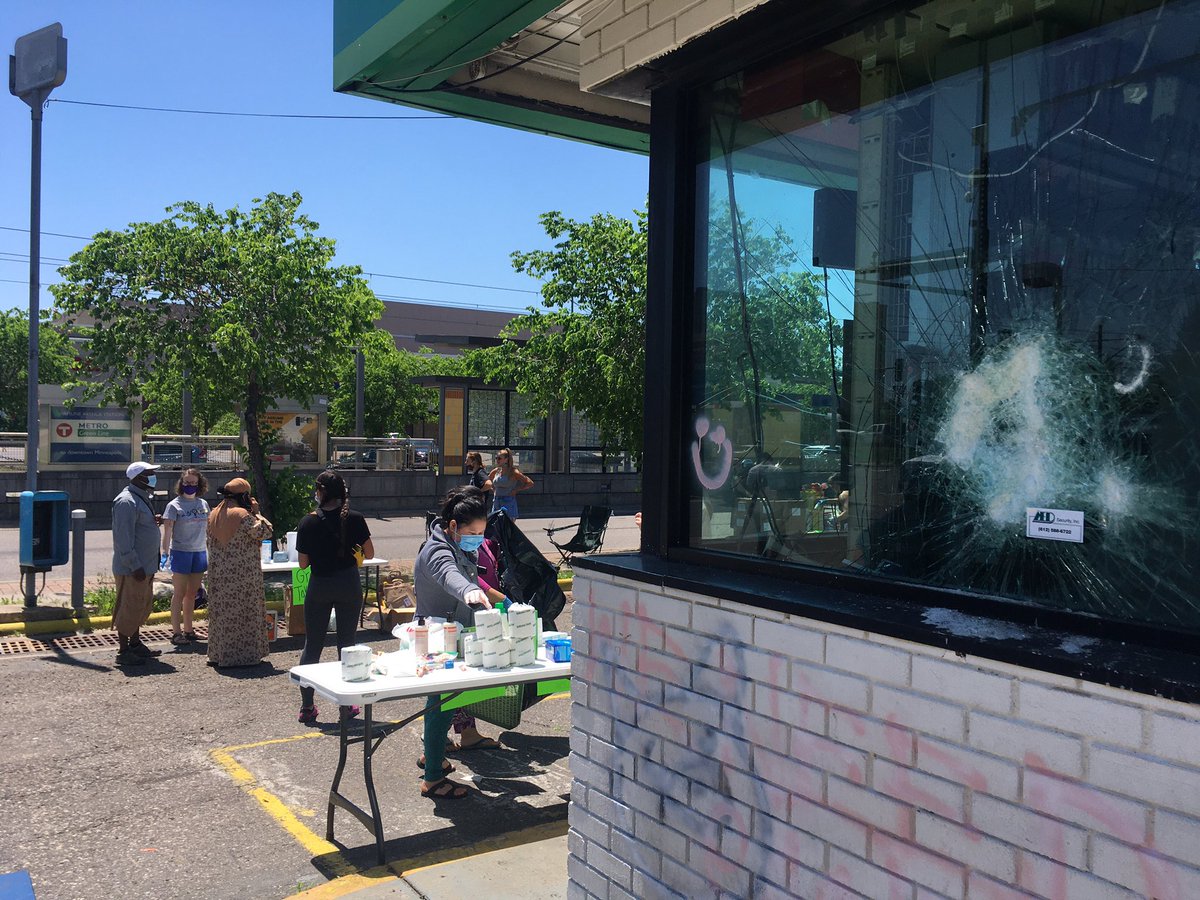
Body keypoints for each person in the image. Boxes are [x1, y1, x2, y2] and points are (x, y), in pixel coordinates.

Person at [414, 486, 496, 799]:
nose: (479, 537)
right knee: (440, 705)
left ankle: (431, 756)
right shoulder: (437, 549)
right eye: (473, 532)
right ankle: (433, 779)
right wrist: (468, 591)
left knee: (444, 704)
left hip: (453, 636)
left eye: (482, 532)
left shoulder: (461, 546)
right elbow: (450, 575)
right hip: (436, 641)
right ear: (453, 527)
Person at [294, 470, 374, 724]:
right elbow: (369, 553)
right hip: (349, 583)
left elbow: (303, 564)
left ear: (321, 492)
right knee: (347, 645)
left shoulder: (308, 522)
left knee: (313, 646)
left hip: (320, 585)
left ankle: (308, 707)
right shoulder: (356, 518)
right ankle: (347, 705)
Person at [205, 478, 273, 668]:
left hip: (219, 574)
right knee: (244, 613)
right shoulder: (242, 515)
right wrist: (258, 512)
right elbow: (265, 532)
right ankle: (242, 657)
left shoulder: (214, 514)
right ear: (243, 496)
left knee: (221, 615)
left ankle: (218, 654)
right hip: (242, 575)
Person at [111, 461, 164, 667]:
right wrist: (134, 565)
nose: (153, 477)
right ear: (138, 477)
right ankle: (124, 651)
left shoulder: (140, 498)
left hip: (146, 566)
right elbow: (122, 538)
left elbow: (139, 526)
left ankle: (135, 644)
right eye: (149, 474)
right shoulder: (126, 501)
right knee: (128, 607)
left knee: (139, 606)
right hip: (133, 568)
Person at [161, 468, 210, 647]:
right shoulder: (174, 505)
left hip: (199, 552)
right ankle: (176, 632)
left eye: (194, 483)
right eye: (187, 483)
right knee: (179, 593)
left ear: (200, 485)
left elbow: (209, 529)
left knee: (192, 593)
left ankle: (189, 630)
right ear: (182, 484)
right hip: (181, 552)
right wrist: (165, 553)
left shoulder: (203, 504)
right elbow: (167, 530)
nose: (190, 486)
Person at [488, 448, 533, 519]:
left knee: (507, 527)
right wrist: (493, 489)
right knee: (495, 526)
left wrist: (516, 490)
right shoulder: (496, 471)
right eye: (496, 458)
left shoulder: (513, 472)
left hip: (508, 501)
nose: (497, 460)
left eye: (499, 458)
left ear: (506, 459)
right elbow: (488, 480)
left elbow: (530, 483)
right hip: (496, 501)